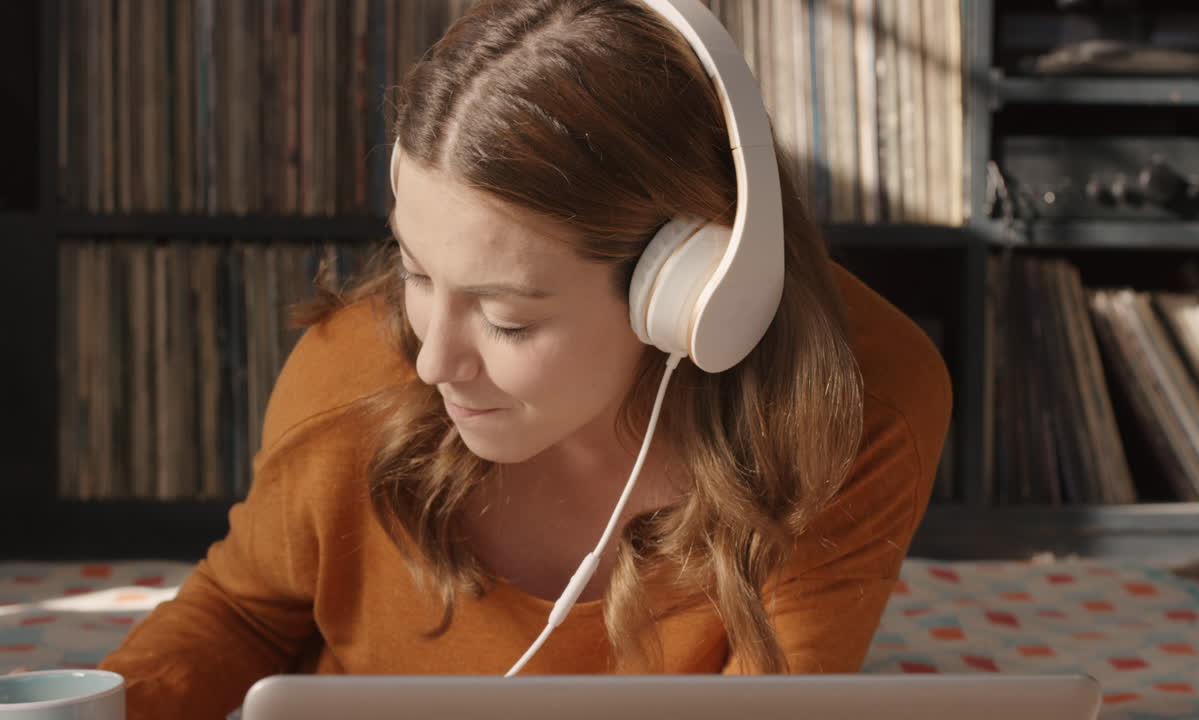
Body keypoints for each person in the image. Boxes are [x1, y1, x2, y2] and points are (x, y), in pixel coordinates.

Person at [98, 0, 951, 718]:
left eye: (507, 320)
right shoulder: (350, 372)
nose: (431, 360)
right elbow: (243, 613)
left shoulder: (861, 405)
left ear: (691, 298)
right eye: (416, 272)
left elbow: (771, 701)